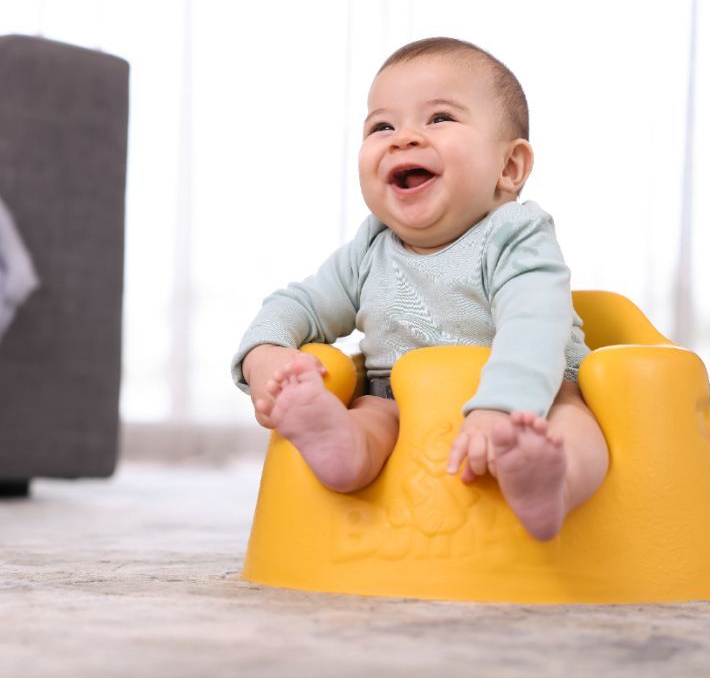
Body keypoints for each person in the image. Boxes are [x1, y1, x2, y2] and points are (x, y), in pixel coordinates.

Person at [231, 37, 609, 541]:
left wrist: (503, 407)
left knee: (575, 426)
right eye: (381, 126)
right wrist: (266, 354)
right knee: (370, 415)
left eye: (439, 118)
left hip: (532, 397)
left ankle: (549, 482)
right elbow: (298, 303)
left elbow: (534, 324)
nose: (403, 138)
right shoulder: (370, 249)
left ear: (509, 168)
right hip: (399, 398)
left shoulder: (516, 236)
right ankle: (338, 447)